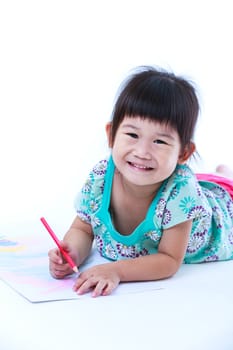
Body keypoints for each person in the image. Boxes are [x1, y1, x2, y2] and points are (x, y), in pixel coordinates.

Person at [48, 65, 233, 297]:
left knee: (223, 190)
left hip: (223, 213)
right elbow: (82, 229)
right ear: (111, 135)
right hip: (193, 187)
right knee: (209, 183)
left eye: (160, 142)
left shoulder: (182, 192)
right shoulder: (101, 178)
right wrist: (72, 252)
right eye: (133, 135)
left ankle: (226, 176)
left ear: (184, 153)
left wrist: (117, 271)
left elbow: (169, 260)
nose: (142, 152)